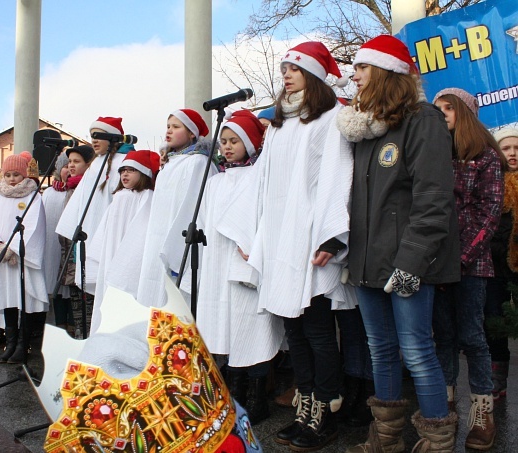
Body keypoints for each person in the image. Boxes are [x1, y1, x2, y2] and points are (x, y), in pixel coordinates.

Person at [337, 35, 460, 452]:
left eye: (362, 68)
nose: (354, 76)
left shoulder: (423, 120)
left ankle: (437, 441)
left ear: (386, 72)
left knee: (417, 351)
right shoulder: (367, 130)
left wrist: (411, 263)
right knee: (381, 349)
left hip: (408, 263)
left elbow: (433, 199)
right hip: (369, 263)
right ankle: (386, 439)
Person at [242, 42, 353, 452]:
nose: (286, 75)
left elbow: (339, 176)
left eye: (295, 69)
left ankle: (323, 414)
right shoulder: (279, 125)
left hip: (311, 238)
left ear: (315, 76)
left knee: (318, 330)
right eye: (284, 68)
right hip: (280, 238)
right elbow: (262, 186)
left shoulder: (332, 118)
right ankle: (303, 408)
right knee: (294, 330)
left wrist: (331, 234)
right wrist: (254, 238)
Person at [196, 110, 284, 425]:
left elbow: (264, 215)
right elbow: (206, 220)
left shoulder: (260, 175)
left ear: (249, 142)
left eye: (235, 140)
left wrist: (253, 246)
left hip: (247, 263)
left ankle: (258, 397)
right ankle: (234, 393)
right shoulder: (216, 182)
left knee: (251, 330)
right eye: (224, 141)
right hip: (218, 263)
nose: (228, 146)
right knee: (227, 330)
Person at [431, 87, 503, 450]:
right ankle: (444, 407)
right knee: (442, 337)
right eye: (436, 108)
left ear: (465, 112)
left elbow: (489, 214)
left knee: (472, 338)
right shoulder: (433, 154)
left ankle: (483, 412)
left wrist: (459, 260)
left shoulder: (485, 156)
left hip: (471, 267)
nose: (441, 113)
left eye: (448, 107)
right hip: (436, 265)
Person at [55, 117, 132, 334]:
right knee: (89, 286)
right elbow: (81, 202)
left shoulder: (123, 163)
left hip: (111, 238)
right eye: (92, 136)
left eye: (98, 136)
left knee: (110, 291)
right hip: (88, 237)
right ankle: (88, 333)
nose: (94, 141)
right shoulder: (96, 164)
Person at [136, 109, 218, 308]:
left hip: (180, 240)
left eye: (176, 127)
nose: (169, 131)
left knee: (177, 300)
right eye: (168, 127)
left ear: (192, 133)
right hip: (157, 238)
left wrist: (175, 247)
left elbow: (192, 207)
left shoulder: (198, 162)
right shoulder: (170, 163)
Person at [0, 153, 48, 364]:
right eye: (7, 174)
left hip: (21, 260)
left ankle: (22, 345)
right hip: (2, 257)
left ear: (24, 175)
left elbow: (35, 227)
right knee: (8, 299)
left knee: (23, 300)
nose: (12, 178)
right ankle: (11, 341)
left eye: (16, 174)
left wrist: (14, 249)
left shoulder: (33, 197)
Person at [88, 150, 160, 334]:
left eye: (131, 170)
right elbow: (105, 232)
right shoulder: (119, 196)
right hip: (111, 257)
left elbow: (140, 234)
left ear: (143, 173)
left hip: (128, 262)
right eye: (122, 170)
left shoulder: (147, 198)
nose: (125, 174)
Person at [42, 146, 93, 335]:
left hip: (84, 250)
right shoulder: (70, 187)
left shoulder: (90, 187)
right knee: (72, 294)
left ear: (88, 165)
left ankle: (84, 335)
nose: (71, 166)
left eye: (76, 162)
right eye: (68, 162)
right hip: (68, 250)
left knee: (85, 296)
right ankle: (73, 334)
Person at [485, 127, 518, 401]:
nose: (513, 153)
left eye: (517, 148)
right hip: (495, 267)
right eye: (506, 148)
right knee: (494, 322)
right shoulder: (492, 181)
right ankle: (498, 380)